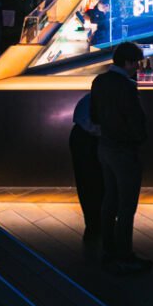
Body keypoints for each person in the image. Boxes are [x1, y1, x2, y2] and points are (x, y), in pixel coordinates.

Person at [90, 41, 151, 274]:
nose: (137, 67)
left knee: (110, 201)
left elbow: (94, 114)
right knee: (126, 206)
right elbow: (135, 120)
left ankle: (109, 251)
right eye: (136, 63)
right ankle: (125, 255)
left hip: (104, 146)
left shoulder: (99, 81)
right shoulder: (126, 86)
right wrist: (139, 139)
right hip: (124, 150)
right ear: (128, 62)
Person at [69, 93, 103, 240]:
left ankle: (93, 225)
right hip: (91, 140)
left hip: (83, 138)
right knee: (97, 182)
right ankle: (99, 224)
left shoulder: (92, 96)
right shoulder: (119, 93)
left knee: (86, 183)